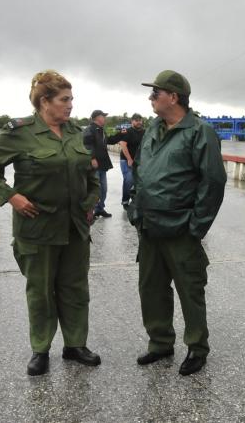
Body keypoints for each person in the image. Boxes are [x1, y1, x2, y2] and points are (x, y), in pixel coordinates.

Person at [0, 69, 102, 376]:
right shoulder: (19, 132)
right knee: (41, 291)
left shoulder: (75, 132)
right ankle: (40, 349)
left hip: (75, 228)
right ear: (45, 101)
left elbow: (91, 174)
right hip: (37, 228)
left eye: (71, 98)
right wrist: (11, 197)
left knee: (75, 288)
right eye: (65, 99)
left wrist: (90, 204)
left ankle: (75, 344)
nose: (71, 105)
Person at [127, 70, 226, 376]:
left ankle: (197, 347)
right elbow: (142, 172)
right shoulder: (153, 129)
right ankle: (160, 343)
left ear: (173, 96)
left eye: (155, 93)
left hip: (181, 228)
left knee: (190, 289)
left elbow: (213, 182)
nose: (150, 98)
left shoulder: (199, 131)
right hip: (150, 227)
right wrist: (135, 207)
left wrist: (196, 226)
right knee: (152, 288)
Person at [83, 109, 115, 218]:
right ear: (97, 117)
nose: (105, 118)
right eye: (103, 116)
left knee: (103, 189)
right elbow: (86, 144)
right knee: (95, 189)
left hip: (102, 165)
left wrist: (122, 135)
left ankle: (100, 209)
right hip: (94, 166)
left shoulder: (101, 130)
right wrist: (92, 158)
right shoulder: (89, 129)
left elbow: (108, 141)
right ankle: (91, 211)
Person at [109, 113, 145, 206]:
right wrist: (129, 159)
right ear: (132, 121)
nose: (139, 122)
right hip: (126, 160)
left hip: (139, 161)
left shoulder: (144, 132)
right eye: (136, 120)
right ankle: (125, 200)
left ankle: (136, 199)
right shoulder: (127, 131)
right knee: (129, 180)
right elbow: (123, 145)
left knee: (139, 181)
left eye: (140, 120)